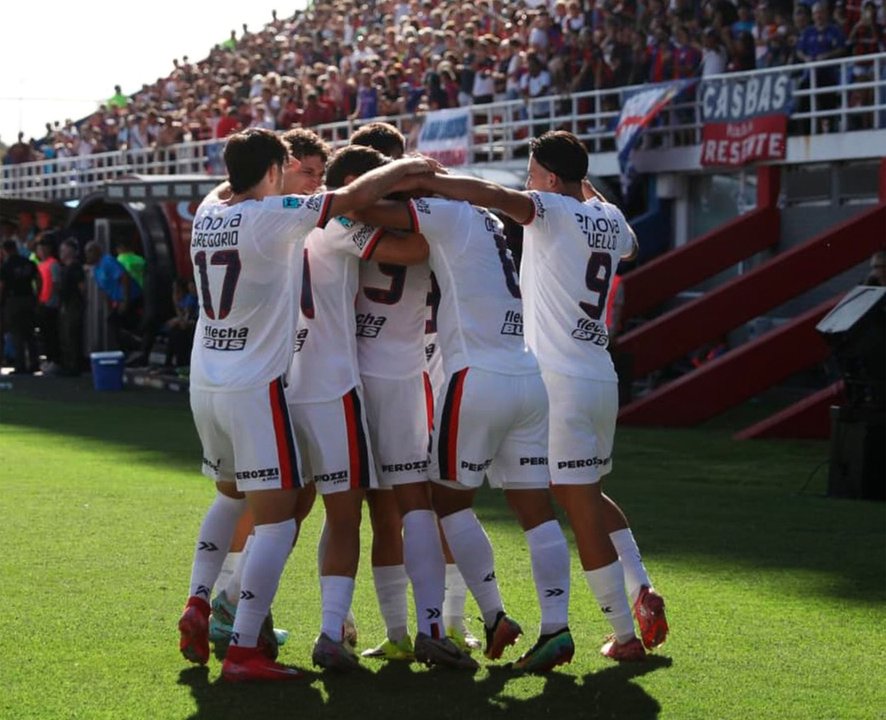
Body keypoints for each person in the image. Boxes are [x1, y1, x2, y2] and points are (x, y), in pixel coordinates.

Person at [178, 127, 436, 683]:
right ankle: (260, 636)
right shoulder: (297, 217)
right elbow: (408, 242)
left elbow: (245, 192)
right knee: (299, 518)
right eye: (302, 168)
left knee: (242, 499)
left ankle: (208, 600)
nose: (311, 179)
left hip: (216, 383)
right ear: (277, 170)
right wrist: (411, 172)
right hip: (304, 386)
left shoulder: (208, 209)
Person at [402, 131, 669, 662]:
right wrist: (586, 191)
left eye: (532, 173)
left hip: (559, 376)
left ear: (548, 178)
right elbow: (632, 245)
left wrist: (428, 180)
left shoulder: (547, 208)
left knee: (578, 508)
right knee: (583, 494)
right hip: (600, 374)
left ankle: (622, 632)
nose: (526, 182)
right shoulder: (611, 219)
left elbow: (495, 197)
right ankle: (639, 587)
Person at [355, 170, 575, 674]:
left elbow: (368, 212)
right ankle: (557, 628)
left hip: (476, 377)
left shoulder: (444, 211)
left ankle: (495, 613)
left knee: (442, 502)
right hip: (526, 374)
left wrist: (350, 196)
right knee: (535, 509)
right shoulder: (490, 220)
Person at [0, 239, 40, 374]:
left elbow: (2, 286)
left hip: (13, 301)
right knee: (30, 333)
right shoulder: (28, 263)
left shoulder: (6, 266)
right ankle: (34, 363)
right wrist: (37, 295)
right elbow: (38, 279)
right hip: (29, 299)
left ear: (5, 250)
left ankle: (20, 364)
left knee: (17, 334)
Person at [57, 238, 86, 377]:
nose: (61, 253)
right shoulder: (65, 268)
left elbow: (82, 288)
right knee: (66, 335)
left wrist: (81, 303)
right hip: (66, 304)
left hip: (73, 304)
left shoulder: (75, 268)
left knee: (71, 334)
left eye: (64, 250)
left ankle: (74, 365)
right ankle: (68, 363)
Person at [35, 235, 62, 373]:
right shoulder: (40, 265)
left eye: (43, 248)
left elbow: (56, 284)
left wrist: (52, 300)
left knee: (52, 334)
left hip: (51, 304)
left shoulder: (53, 264)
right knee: (45, 335)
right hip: (42, 303)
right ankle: (49, 360)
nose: (40, 251)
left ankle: (55, 361)